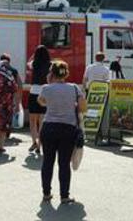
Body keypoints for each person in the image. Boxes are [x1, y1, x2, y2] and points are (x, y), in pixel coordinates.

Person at [37, 61, 86, 204]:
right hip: (68, 129)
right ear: (66, 73)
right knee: (64, 164)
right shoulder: (75, 88)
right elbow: (83, 107)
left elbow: (41, 102)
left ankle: (46, 194)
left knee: (48, 162)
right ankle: (64, 196)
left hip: (49, 128)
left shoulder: (46, 88)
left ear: (51, 73)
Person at [28, 45, 51, 154]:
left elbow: (29, 62)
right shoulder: (50, 65)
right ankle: (40, 144)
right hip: (45, 93)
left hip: (33, 92)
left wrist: (34, 55)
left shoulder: (34, 64)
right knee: (42, 121)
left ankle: (34, 141)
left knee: (32, 121)